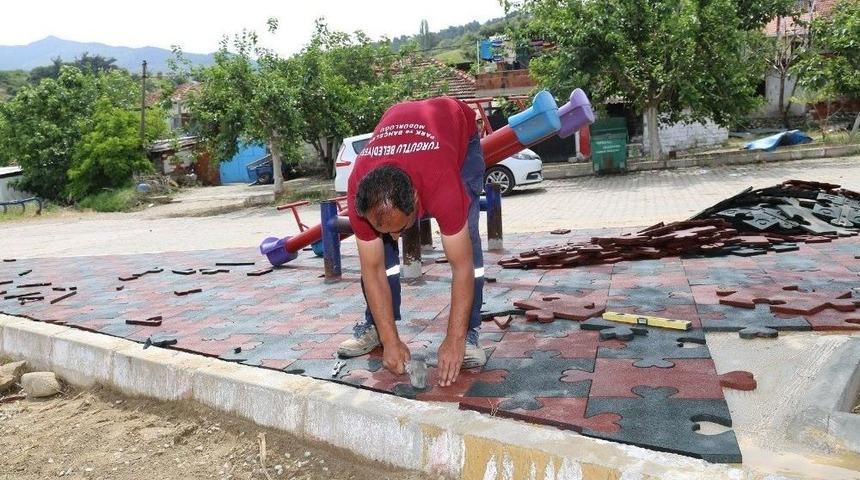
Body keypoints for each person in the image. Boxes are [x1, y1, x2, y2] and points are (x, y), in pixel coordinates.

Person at [338, 96, 487, 387]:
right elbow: (372, 269)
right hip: (400, 120)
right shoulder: (359, 190)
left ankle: (468, 332)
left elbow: (461, 266)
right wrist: (391, 341)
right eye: (386, 231)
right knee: (379, 257)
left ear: (418, 201)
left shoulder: (441, 184)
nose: (394, 237)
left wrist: (453, 340)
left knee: (466, 237)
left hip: (456, 129)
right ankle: (378, 327)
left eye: (400, 228)